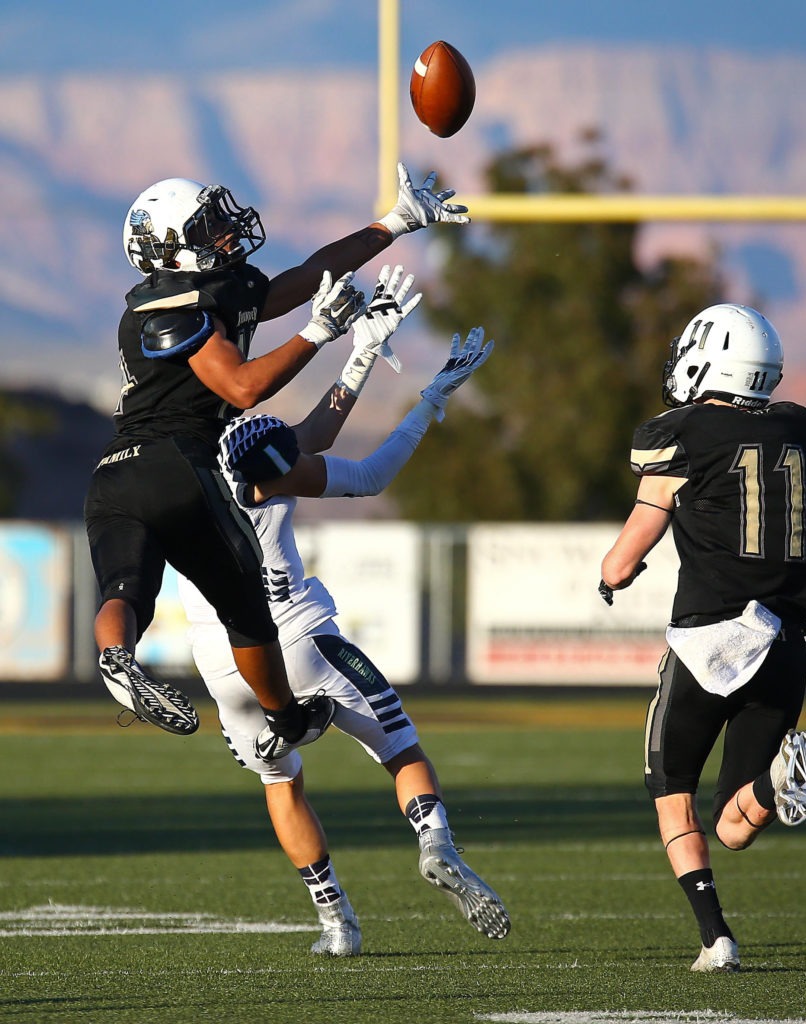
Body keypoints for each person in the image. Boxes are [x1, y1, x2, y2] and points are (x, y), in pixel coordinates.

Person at [84, 163, 468, 758]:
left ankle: (115, 660)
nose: (223, 234)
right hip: (180, 465)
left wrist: (392, 225)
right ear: (169, 248)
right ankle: (285, 718)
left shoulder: (209, 291)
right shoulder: (166, 312)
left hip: (113, 475)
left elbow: (308, 275)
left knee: (125, 591)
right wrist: (316, 335)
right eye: (206, 228)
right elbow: (240, 389)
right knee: (246, 608)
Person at [177, 303, 509, 955]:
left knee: (281, 781)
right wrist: (430, 398)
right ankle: (435, 843)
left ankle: (337, 921)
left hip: (220, 664)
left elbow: (309, 434)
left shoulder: (160, 473)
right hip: (296, 640)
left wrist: (360, 356)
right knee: (402, 750)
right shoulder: (254, 458)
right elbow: (360, 470)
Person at [598, 303, 806, 973]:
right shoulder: (802, 436)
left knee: (672, 794)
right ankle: (777, 781)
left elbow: (627, 554)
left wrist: (613, 576)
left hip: (707, 641)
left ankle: (715, 939)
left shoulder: (684, 436)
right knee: (736, 823)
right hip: (784, 646)